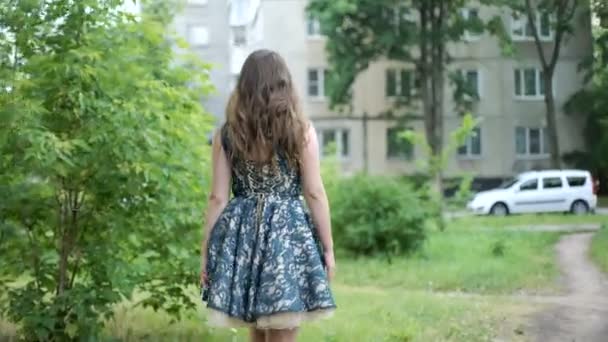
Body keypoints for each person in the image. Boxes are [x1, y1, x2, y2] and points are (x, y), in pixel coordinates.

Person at [200, 49, 337, 342]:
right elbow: (313, 192)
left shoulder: (228, 134)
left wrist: (207, 254)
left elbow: (217, 199)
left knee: (258, 329)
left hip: (244, 237)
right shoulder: (300, 131)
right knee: (284, 329)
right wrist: (328, 247)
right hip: (287, 234)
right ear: (284, 86)